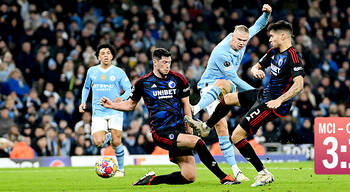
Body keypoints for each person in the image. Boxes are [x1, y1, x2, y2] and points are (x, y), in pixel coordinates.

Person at [186, 20, 305, 187]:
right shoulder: (273, 51)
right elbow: (256, 66)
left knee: (236, 136)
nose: (269, 39)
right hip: (264, 94)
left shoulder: (293, 56)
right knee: (227, 99)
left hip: (273, 104)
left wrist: (279, 100)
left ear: (283, 36)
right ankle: (206, 127)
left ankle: (263, 173)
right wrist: (256, 70)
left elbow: (299, 85)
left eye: (272, 36)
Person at [101, 48, 239, 185]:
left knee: (189, 177)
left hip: (180, 129)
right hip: (162, 132)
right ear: (155, 62)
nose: (167, 66)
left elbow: (186, 104)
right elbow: (130, 105)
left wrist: (189, 125)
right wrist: (111, 105)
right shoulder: (143, 83)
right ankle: (224, 178)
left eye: (169, 62)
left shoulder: (178, 79)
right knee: (198, 142)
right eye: (164, 62)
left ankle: (152, 180)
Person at [187, 4, 272, 181]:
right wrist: (256, 93)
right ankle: (196, 109)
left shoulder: (244, 37)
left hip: (227, 88)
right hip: (210, 86)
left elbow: (259, 25)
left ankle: (236, 170)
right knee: (223, 118)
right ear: (232, 37)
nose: (241, 43)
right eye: (239, 40)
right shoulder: (220, 52)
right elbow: (235, 80)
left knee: (226, 127)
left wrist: (266, 13)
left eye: (244, 40)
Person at [79, 43, 132, 177]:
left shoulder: (119, 72)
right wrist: (83, 102)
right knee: (97, 142)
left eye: (108, 53)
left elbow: (129, 89)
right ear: (98, 57)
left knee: (116, 142)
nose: (106, 55)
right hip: (98, 111)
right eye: (102, 53)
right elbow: (86, 87)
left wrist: (121, 98)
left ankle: (120, 169)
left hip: (114, 110)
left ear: (112, 56)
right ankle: (109, 135)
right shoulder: (92, 71)